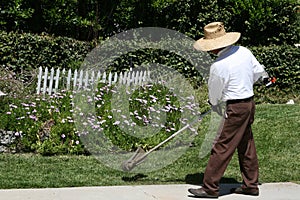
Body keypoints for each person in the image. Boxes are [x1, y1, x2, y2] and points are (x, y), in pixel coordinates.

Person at [188, 22, 268, 198]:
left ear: (214, 47)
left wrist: (214, 104)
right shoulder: (244, 51)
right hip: (249, 104)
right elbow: (258, 73)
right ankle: (251, 185)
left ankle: (210, 188)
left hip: (236, 108)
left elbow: (215, 94)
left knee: (222, 146)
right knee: (246, 144)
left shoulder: (218, 66)